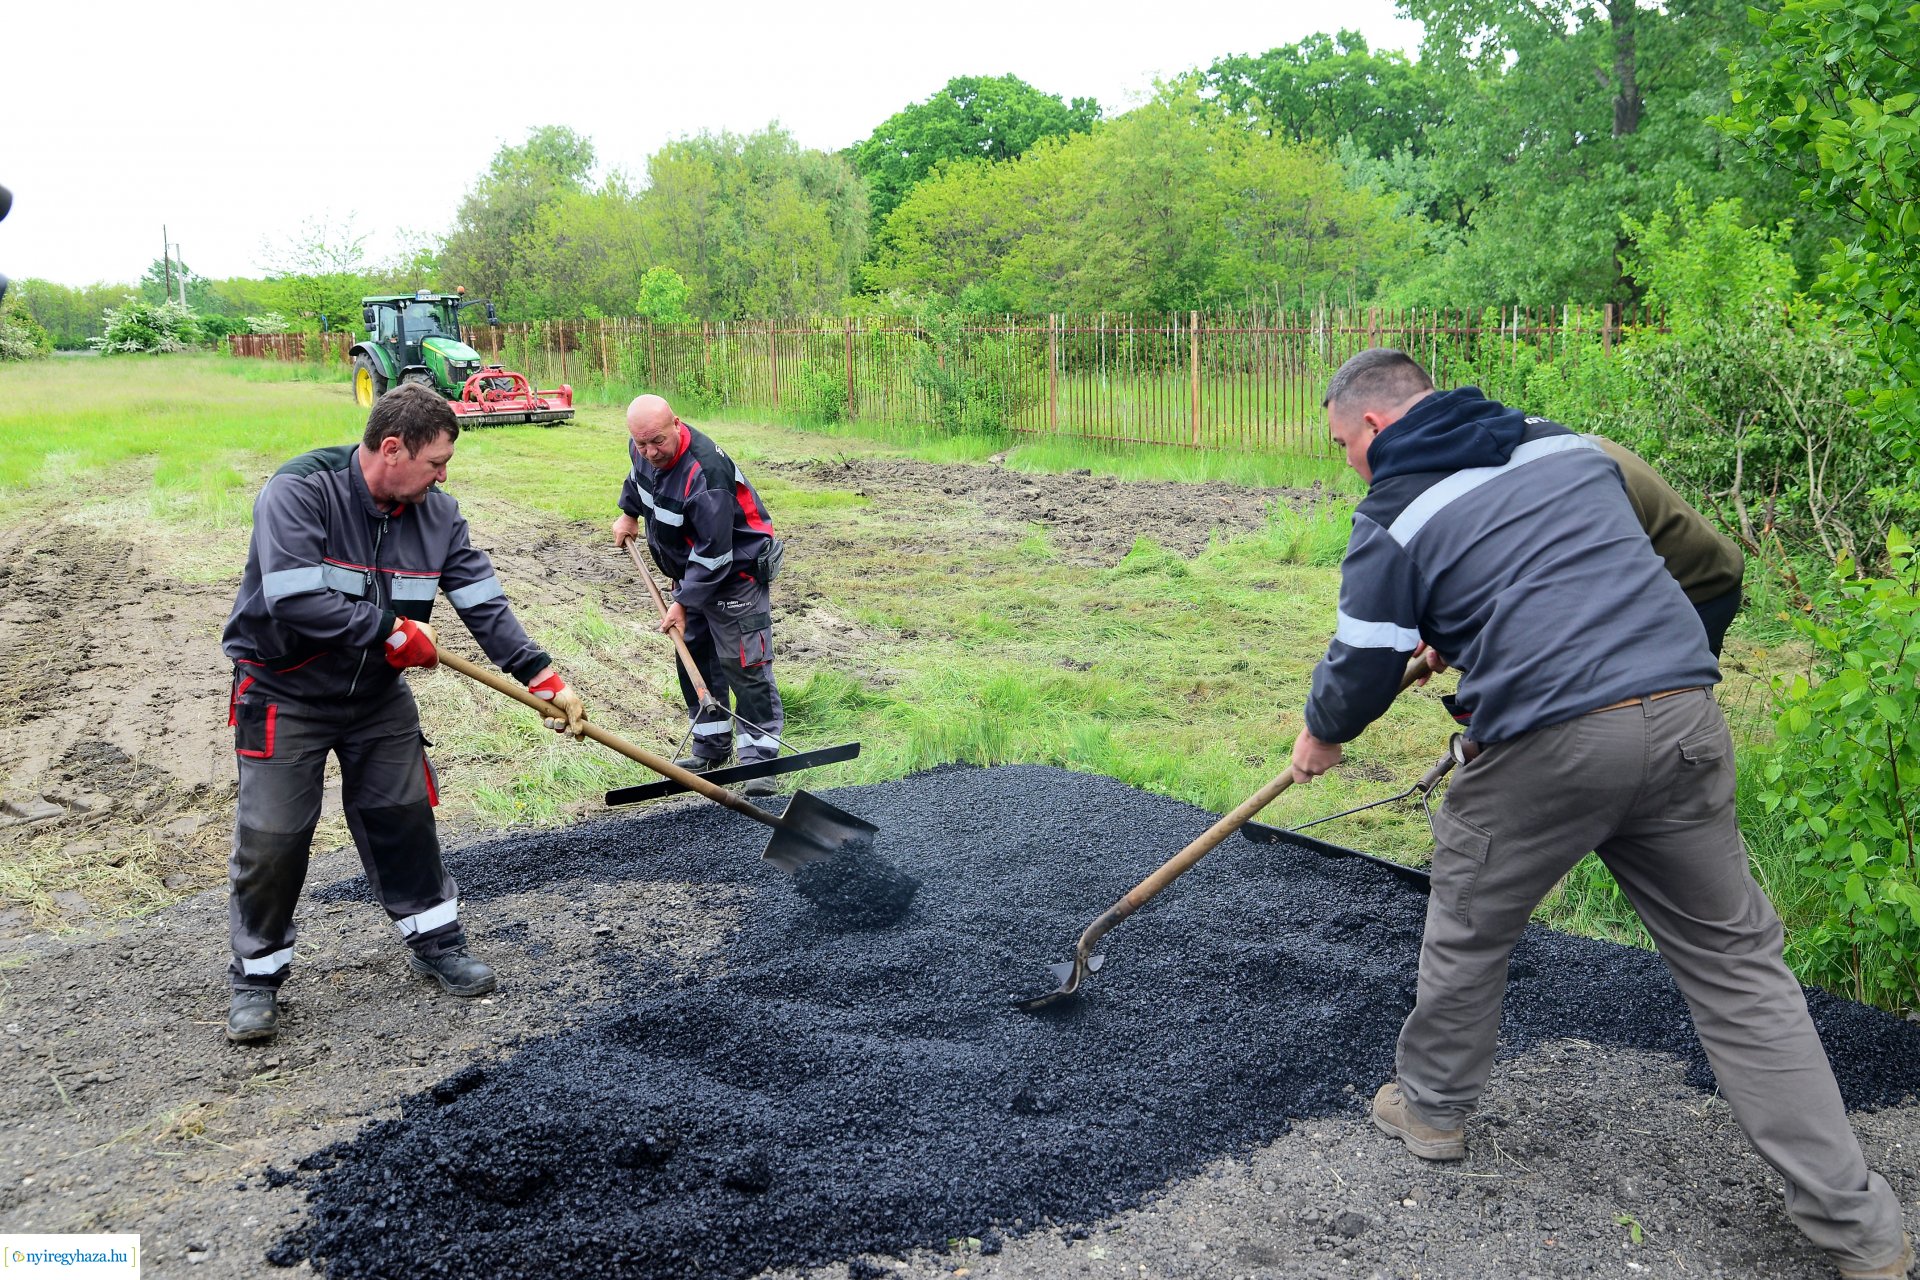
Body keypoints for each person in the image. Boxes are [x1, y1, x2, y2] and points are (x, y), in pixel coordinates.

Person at [1288, 349, 1911, 1280]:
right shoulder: (1568, 448)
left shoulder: (1394, 513)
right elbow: (1710, 565)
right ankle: (1863, 1232)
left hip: (1548, 750)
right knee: (1741, 970)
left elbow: (1362, 659)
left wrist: (1321, 738)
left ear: (1374, 426)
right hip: (1686, 719)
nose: (1345, 461)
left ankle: (1431, 1113)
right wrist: (1642, 675)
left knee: (1468, 923)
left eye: (1342, 443)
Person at [220, 383, 588, 1045]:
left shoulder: (438, 517)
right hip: (283, 691)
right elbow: (292, 598)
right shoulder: (301, 492)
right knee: (273, 835)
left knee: (404, 815)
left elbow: (484, 605)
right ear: (393, 448)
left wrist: (543, 677)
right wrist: (392, 631)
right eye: (437, 462)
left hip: (375, 697)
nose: (445, 475)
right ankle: (256, 976)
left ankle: (436, 941)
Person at [612, 394, 783, 797]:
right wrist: (628, 513)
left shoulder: (707, 474)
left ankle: (762, 762)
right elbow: (640, 483)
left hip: (734, 572)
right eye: (641, 444)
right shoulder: (643, 449)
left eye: (658, 441)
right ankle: (711, 746)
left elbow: (716, 553)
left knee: (743, 663)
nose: (651, 451)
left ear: (677, 423)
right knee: (697, 660)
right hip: (691, 573)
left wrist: (683, 603)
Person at [1590, 435, 1745, 656]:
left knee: (1667, 686)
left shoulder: (1583, 483)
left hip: (1698, 587)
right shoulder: (1578, 446)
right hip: (1706, 563)